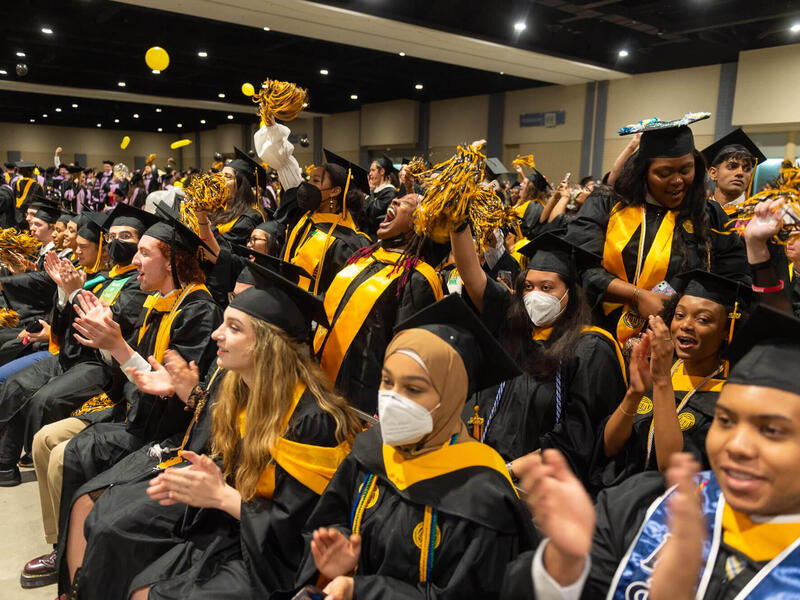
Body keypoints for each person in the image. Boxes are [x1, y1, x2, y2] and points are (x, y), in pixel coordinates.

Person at [59, 261, 357, 600]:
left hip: (273, 557)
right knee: (111, 523)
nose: (217, 333)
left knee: (144, 588)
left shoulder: (311, 422)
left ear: (266, 344)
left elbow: (303, 532)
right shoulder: (238, 387)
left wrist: (224, 497)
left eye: (233, 327)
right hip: (232, 524)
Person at [501, 304, 800, 599]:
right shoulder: (642, 504)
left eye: (771, 430)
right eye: (725, 420)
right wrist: (564, 564)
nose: (736, 445)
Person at [296, 294, 537, 600]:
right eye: (386, 381)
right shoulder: (371, 453)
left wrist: (363, 590)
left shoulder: (485, 499)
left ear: (450, 397)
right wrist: (337, 560)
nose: (392, 399)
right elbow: (329, 520)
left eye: (413, 389)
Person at [53, 206, 222, 594]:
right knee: (77, 452)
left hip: (167, 433)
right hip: (139, 414)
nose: (134, 260)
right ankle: (72, 567)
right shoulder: (157, 303)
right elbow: (133, 379)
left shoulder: (198, 311)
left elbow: (174, 395)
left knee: (82, 458)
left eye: (145, 252)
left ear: (174, 261)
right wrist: (109, 345)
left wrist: (117, 345)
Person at [451, 228, 627, 483]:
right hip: (478, 467)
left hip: (534, 485)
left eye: (547, 288)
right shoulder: (512, 326)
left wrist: (509, 472)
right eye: (529, 287)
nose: (535, 296)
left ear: (570, 293)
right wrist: (458, 223)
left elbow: (580, 436)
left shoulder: (590, 348)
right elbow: (471, 275)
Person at [566, 113, 748, 344]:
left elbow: (733, 277)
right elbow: (581, 264)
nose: (677, 181)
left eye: (686, 170)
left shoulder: (709, 216)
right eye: (664, 173)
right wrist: (637, 295)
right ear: (643, 172)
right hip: (601, 334)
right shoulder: (606, 204)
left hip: (679, 343)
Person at [593, 270, 749, 490]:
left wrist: (661, 381)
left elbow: (672, 472)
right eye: (679, 315)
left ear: (726, 331)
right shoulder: (661, 368)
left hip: (671, 512)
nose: (686, 325)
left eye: (703, 319)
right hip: (619, 499)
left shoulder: (730, 400)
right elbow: (610, 448)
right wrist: (635, 392)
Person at [313, 192, 444, 412]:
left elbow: (405, 354)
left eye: (406, 203)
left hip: (364, 405)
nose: (394, 201)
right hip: (323, 387)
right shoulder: (364, 258)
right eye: (397, 198)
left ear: (421, 224)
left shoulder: (416, 279)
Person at [280, 150, 369, 294]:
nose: (307, 185)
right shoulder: (307, 218)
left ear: (334, 191)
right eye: (308, 179)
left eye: (315, 181)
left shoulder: (343, 243)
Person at [700, 128, 766, 218]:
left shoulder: (758, 215)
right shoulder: (697, 212)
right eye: (732, 166)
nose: (740, 173)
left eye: (746, 169)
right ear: (713, 173)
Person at [208, 147, 266, 246]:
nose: (220, 181)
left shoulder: (250, 218)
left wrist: (204, 224)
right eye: (220, 176)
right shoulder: (221, 207)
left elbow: (226, 250)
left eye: (227, 177)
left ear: (242, 185)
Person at [361, 155, 398, 239]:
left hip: (378, 238)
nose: (370, 174)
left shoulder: (390, 192)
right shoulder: (374, 191)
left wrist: (366, 197)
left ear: (382, 171)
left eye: (373, 170)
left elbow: (374, 212)